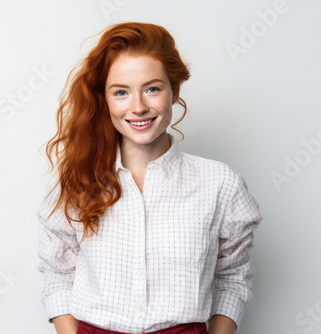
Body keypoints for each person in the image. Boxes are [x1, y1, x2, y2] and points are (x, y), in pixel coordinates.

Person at [36, 21, 262, 334]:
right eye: (121, 92)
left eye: (152, 88)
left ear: (174, 91)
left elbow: (232, 278)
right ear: (105, 99)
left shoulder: (220, 184)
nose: (138, 107)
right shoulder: (74, 180)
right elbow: (58, 273)